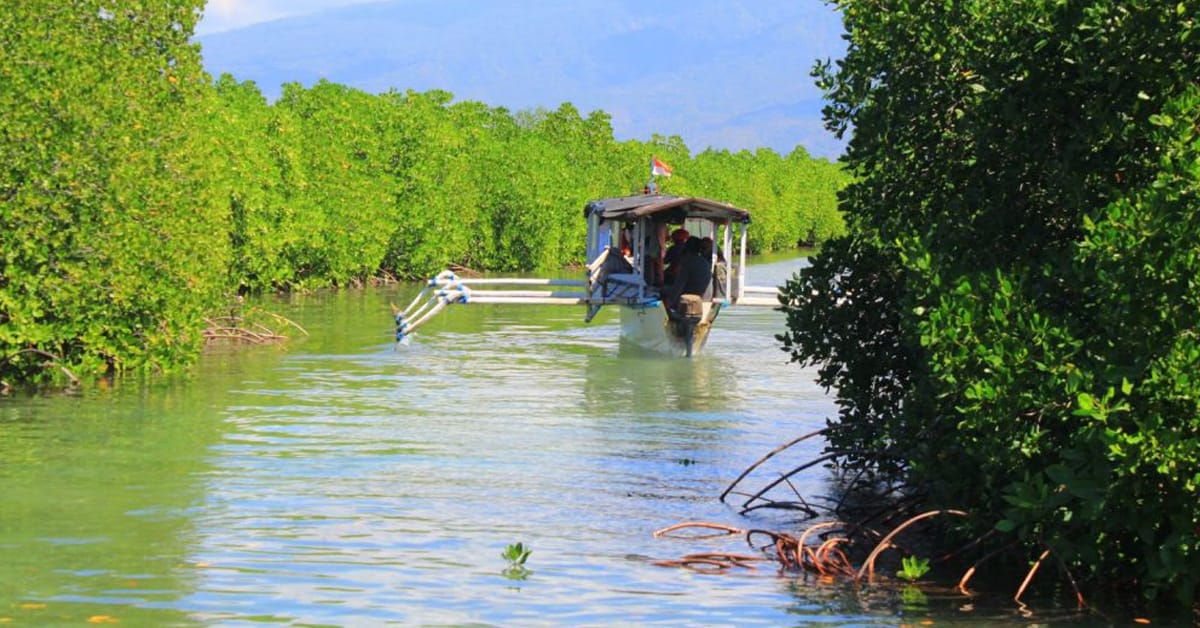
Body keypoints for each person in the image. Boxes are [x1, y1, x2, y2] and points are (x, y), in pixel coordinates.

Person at [664, 236, 712, 312]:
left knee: (662, 292)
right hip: (699, 299)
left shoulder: (687, 263)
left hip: (685, 300)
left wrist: (668, 303)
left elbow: (678, 287)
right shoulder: (705, 262)